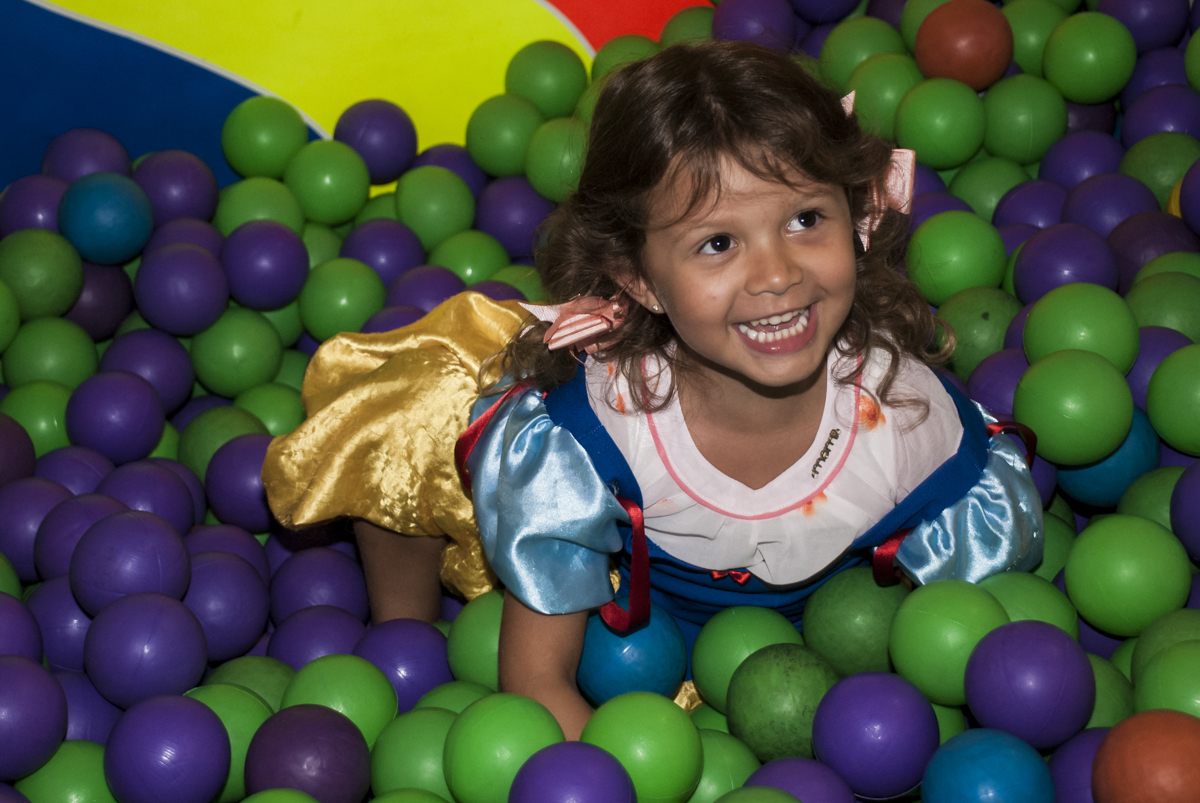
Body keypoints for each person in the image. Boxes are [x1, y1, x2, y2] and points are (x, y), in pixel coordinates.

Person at [263, 41, 1043, 740]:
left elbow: (983, 651)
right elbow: (536, 682)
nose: (777, 274)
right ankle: (401, 634)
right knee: (420, 414)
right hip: (622, 612)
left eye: (807, 219)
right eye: (718, 242)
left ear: (857, 217)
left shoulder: (905, 422)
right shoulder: (597, 429)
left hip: (784, 660)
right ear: (638, 278)